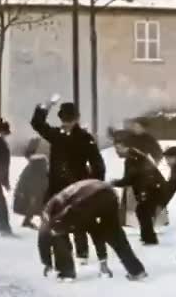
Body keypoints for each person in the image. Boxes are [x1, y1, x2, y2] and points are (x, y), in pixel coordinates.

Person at [31, 99, 106, 263]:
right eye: (64, 120)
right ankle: (66, 252)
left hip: (77, 185)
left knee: (80, 219)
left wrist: (94, 185)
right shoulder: (56, 135)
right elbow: (37, 123)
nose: (67, 123)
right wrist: (44, 107)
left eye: (70, 120)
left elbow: (98, 164)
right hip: (56, 186)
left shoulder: (85, 138)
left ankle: (82, 253)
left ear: (76, 119)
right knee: (57, 221)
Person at [39, 179, 148, 282]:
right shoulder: (60, 209)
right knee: (114, 233)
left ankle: (66, 273)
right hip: (109, 193)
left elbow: (43, 240)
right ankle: (137, 271)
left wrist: (47, 263)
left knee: (59, 236)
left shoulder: (56, 215)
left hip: (90, 197)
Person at [110, 132, 166, 245]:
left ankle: (150, 239)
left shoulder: (133, 158)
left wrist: (115, 183)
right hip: (151, 187)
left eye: (118, 148)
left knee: (143, 211)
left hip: (151, 188)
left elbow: (130, 178)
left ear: (126, 147)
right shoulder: (134, 156)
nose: (116, 151)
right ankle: (147, 236)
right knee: (142, 211)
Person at [13, 137, 49, 230]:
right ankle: (40, 222)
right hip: (38, 172)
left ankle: (36, 221)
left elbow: (27, 153)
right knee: (38, 199)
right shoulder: (42, 141)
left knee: (40, 200)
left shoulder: (38, 140)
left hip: (38, 171)